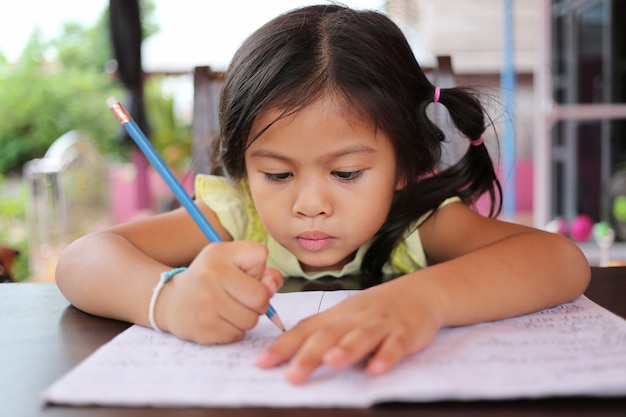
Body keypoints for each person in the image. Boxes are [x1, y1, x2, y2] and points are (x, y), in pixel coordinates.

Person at [56, 4, 590, 384]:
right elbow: (82, 260)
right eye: (278, 175)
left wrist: (422, 299)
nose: (310, 204)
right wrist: (170, 300)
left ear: (404, 167)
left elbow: (561, 260)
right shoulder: (238, 217)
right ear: (244, 169)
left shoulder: (416, 223)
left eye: (348, 173)